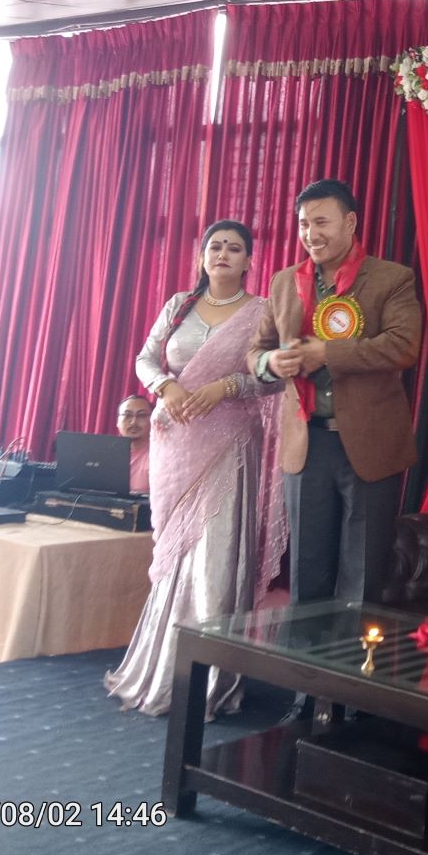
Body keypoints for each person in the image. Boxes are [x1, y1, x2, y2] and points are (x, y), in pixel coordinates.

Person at [105, 220, 284, 718]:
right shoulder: (178, 305)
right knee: (175, 553)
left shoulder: (261, 312)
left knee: (215, 558)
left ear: (249, 261)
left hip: (229, 444)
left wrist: (226, 387)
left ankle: (208, 683)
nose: (223, 253)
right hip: (174, 440)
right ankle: (160, 667)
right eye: (215, 246)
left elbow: (272, 379)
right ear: (203, 256)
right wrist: (166, 386)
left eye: (234, 248)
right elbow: (145, 359)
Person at [247, 179, 421, 608]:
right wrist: (271, 363)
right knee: (306, 574)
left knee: (363, 580)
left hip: (369, 443)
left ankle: (352, 652)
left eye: (321, 222)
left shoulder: (392, 278)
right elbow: (256, 351)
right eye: (304, 224)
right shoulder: (284, 282)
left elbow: (403, 346)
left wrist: (326, 353)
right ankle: (302, 654)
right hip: (306, 442)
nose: (311, 234)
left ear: (350, 222)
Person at [116, 394, 151, 494]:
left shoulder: (159, 455)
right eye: (127, 415)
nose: (133, 422)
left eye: (141, 415)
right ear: (117, 422)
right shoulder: (104, 454)